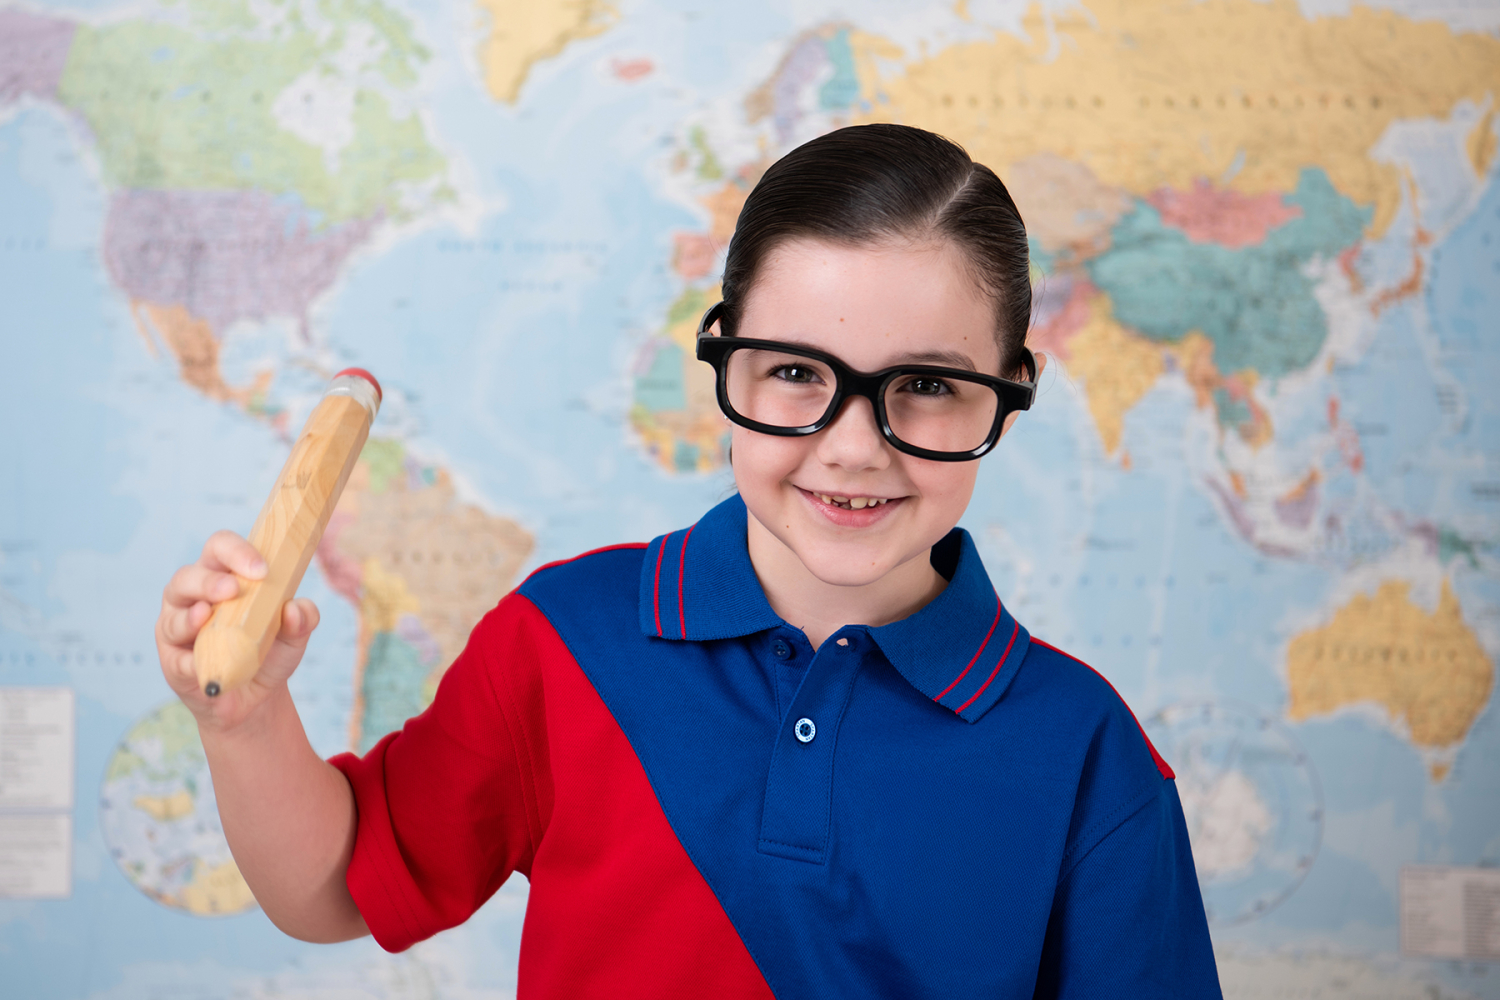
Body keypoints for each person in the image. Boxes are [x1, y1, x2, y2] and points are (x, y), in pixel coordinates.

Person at [155, 124, 1222, 998]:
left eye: (929, 386)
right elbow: (337, 886)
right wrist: (244, 720)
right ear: (723, 354)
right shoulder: (565, 639)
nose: (856, 443)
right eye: (798, 371)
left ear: (1012, 387)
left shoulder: (1087, 755)